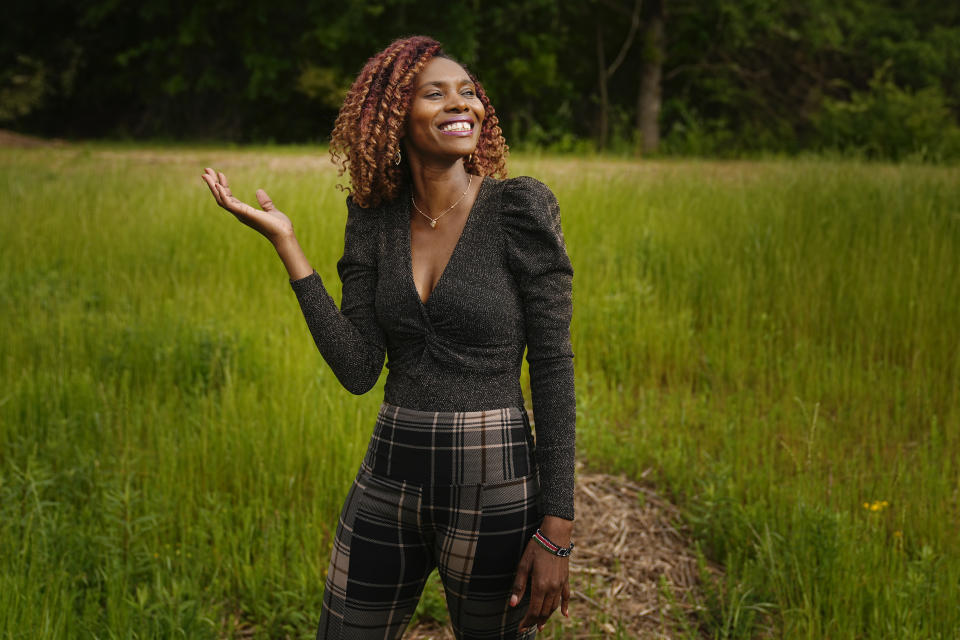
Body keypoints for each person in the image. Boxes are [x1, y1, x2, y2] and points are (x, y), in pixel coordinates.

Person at [201, 35, 575, 640]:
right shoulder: (373, 218)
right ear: (395, 116)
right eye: (436, 93)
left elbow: (555, 367)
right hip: (390, 473)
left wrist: (557, 527)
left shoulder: (519, 209)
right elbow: (358, 368)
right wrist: (288, 246)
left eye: (469, 92)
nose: (462, 105)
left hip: (495, 482)